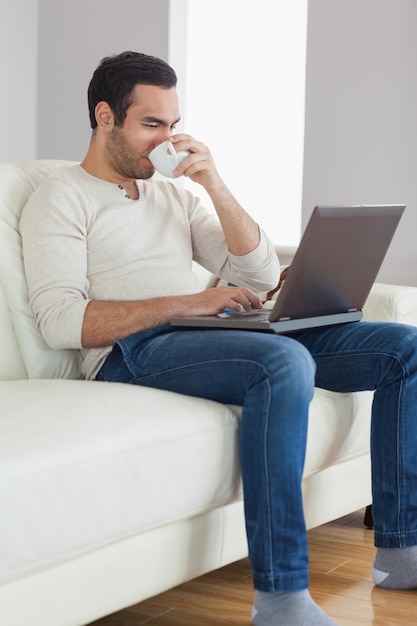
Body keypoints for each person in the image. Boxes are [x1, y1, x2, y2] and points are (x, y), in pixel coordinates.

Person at [19, 51, 417, 626]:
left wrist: (213, 181)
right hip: (132, 353)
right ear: (105, 117)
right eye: (151, 124)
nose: (167, 138)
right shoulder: (60, 197)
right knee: (282, 365)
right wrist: (191, 302)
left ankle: (401, 554)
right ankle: (281, 598)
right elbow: (62, 322)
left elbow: (256, 273)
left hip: (204, 333)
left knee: (403, 347)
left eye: (174, 124)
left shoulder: (173, 194)